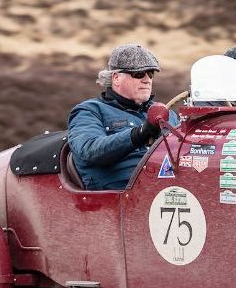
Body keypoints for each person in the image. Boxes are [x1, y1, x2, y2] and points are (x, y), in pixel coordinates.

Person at [67, 44, 177, 190]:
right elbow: (90, 150)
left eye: (150, 73)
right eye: (138, 74)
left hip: (171, 193)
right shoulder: (90, 110)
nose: (147, 79)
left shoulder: (164, 112)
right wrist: (140, 133)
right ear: (116, 78)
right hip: (120, 201)